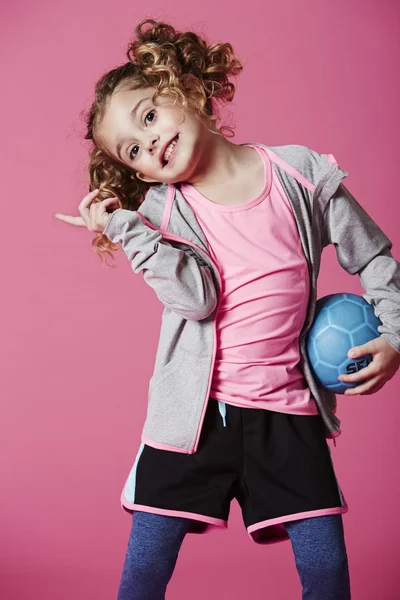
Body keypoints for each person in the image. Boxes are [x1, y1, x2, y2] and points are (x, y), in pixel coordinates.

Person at [55, 18, 400, 600]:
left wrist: (396, 334)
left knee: (326, 574)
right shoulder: (161, 215)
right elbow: (198, 299)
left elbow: (376, 256)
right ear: (137, 173)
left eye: (148, 116)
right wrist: (126, 227)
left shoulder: (303, 174)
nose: (150, 143)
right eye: (133, 150)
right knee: (143, 574)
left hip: (288, 414)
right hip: (194, 422)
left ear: (181, 87)